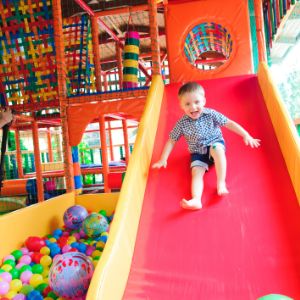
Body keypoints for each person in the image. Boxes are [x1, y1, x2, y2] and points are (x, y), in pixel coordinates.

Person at [152, 82, 260, 210]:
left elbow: (229, 123)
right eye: (187, 104)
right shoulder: (181, 123)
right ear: (181, 106)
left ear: (203, 101)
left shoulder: (210, 114)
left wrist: (246, 135)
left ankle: (221, 183)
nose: (193, 107)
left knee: (217, 149)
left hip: (214, 143)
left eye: (197, 102)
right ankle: (196, 199)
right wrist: (163, 158)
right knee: (196, 173)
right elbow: (172, 140)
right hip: (197, 152)